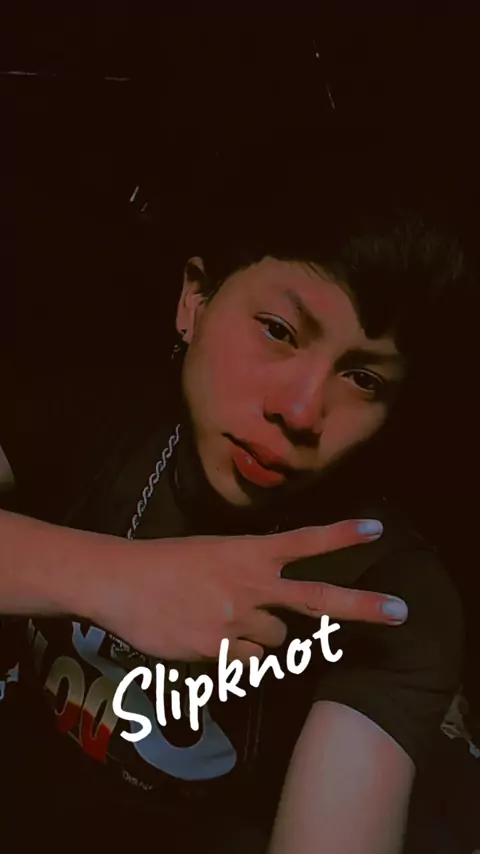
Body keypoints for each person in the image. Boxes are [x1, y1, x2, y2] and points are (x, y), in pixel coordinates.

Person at [0, 185, 466, 852]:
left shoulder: (387, 589)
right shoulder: (94, 414)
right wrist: (112, 576)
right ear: (195, 300)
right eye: (278, 331)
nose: (301, 412)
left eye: (363, 379)